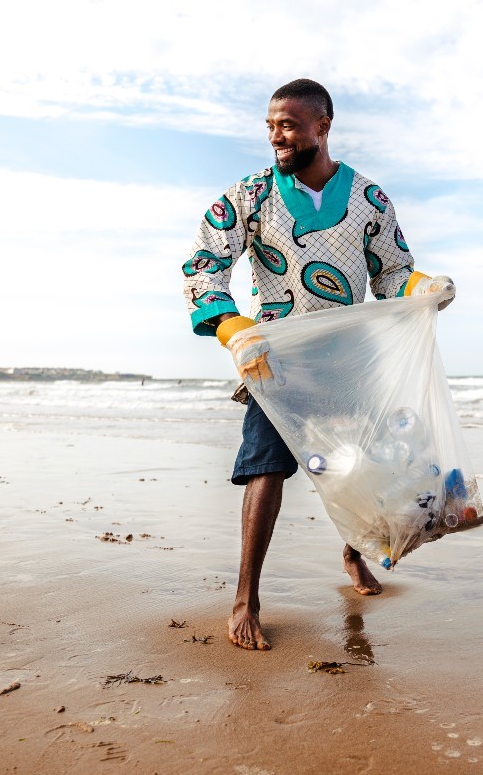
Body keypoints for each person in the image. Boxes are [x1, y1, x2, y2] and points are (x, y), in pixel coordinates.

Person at [182, 78, 455, 651]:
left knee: (358, 467)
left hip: (349, 359)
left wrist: (424, 285)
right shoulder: (249, 196)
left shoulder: (369, 200)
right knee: (265, 470)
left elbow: (389, 273)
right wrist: (234, 332)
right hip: (272, 360)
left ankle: (355, 556)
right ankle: (246, 598)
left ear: (322, 127)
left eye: (289, 125)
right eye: (270, 126)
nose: (277, 136)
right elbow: (204, 265)